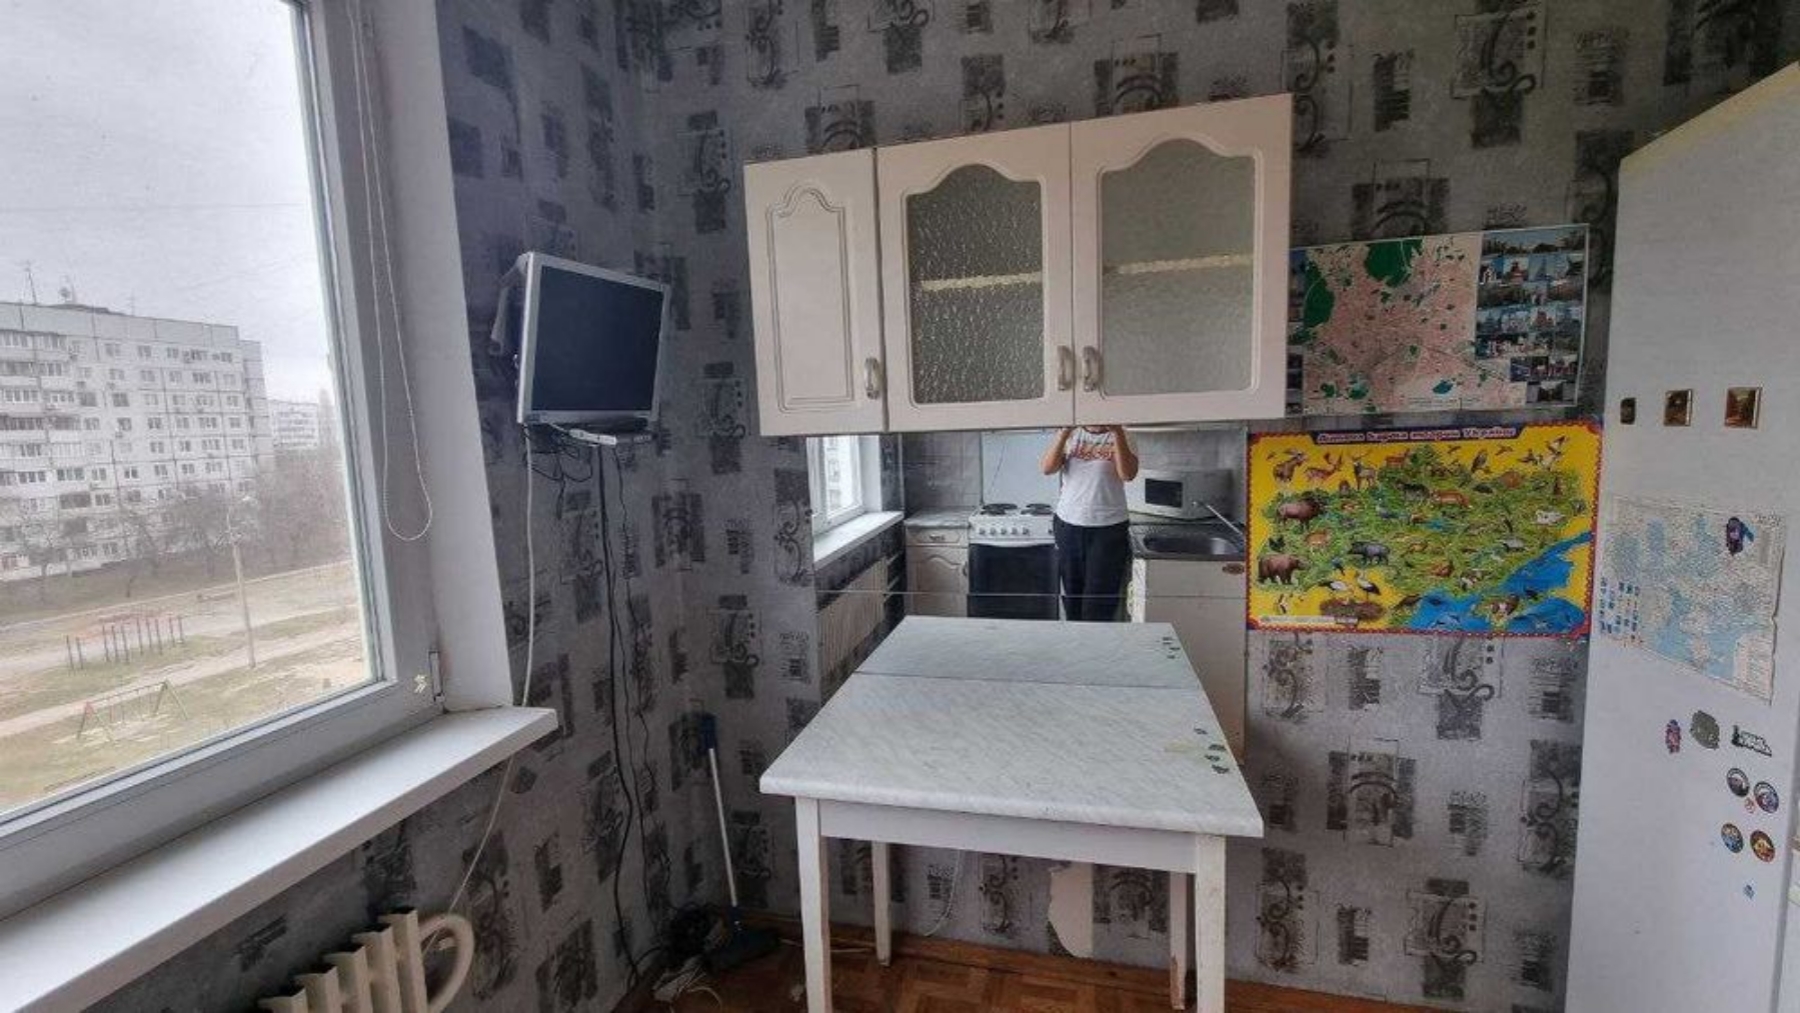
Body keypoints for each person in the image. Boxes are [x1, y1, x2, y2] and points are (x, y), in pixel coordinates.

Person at [1040, 425, 1138, 621]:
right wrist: (1063, 434)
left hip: (1109, 529)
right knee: (1072, 597)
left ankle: (1097, 640)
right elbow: (1047, 468)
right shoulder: (1070, 434)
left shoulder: (1123, 435)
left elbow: (1127, 474)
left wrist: (1117, 432)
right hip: (1069, 525)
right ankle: (1076, 639)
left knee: (1100, 602)